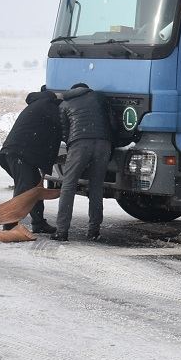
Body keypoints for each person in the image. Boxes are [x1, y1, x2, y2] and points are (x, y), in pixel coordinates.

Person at [0, 85, 63, 234]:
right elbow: (61, 129)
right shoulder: (49, 106)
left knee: (35, 188)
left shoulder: (39, 103)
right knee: (25, 189)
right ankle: (10, 223)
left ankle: (39, 223)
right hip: (19, 154)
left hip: (16, 152)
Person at [53, 83, 113, 242]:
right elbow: (112, 122)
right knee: (96, 186)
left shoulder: (65, 103)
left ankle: (62, 231)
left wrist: (74, 145)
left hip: (80, 143)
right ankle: (94, 231)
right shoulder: (99, 98)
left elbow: (64, 131)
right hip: (103, 143)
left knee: (68, 185)